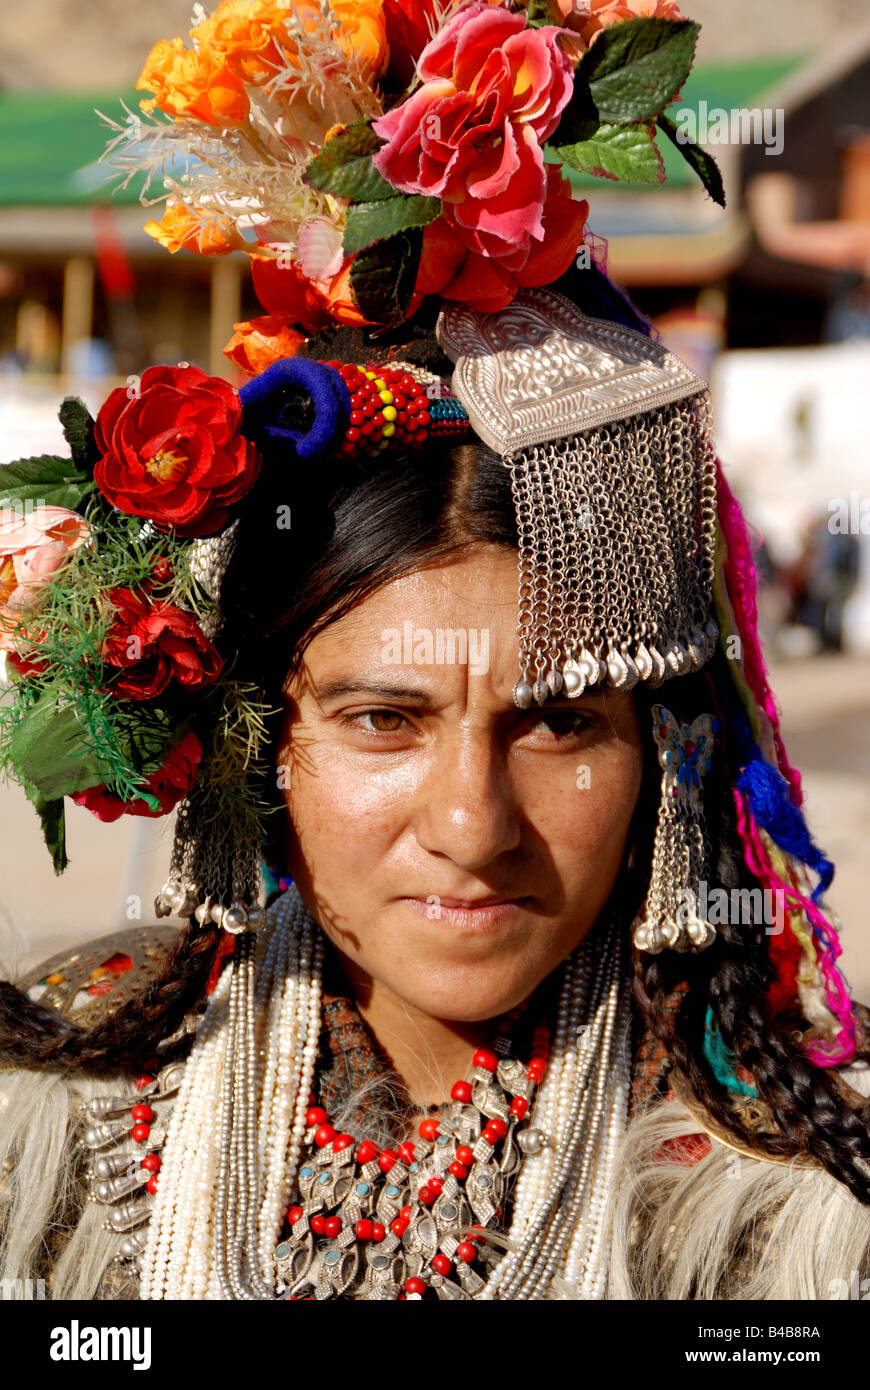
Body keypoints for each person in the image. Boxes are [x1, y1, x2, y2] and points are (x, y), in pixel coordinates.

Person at [1, 0, 870, 1302]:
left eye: (562, 722)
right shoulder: (56, 1104)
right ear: (257, 734)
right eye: (380, 719)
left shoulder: (780, 1195)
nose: (471, 826)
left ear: (665, 751)